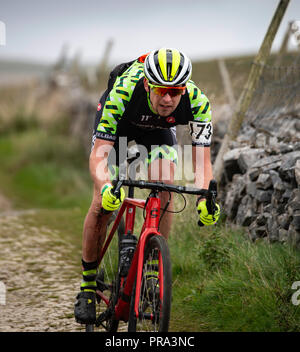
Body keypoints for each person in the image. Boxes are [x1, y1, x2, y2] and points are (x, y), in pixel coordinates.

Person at [74, 48, 220, 324]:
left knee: (166, 186)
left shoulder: (198, 102)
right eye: (161, 90)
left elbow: (202, 163)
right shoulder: (124, 91)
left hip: (158, 133)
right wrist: (106, 187)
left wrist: (204, 200)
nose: (167, 99)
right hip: (119, 130)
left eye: (175, 92)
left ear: (184, 89)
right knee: (102, 202)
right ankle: (88, 287)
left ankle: (152, 272)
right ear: (146, 84)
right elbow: (99, 155)